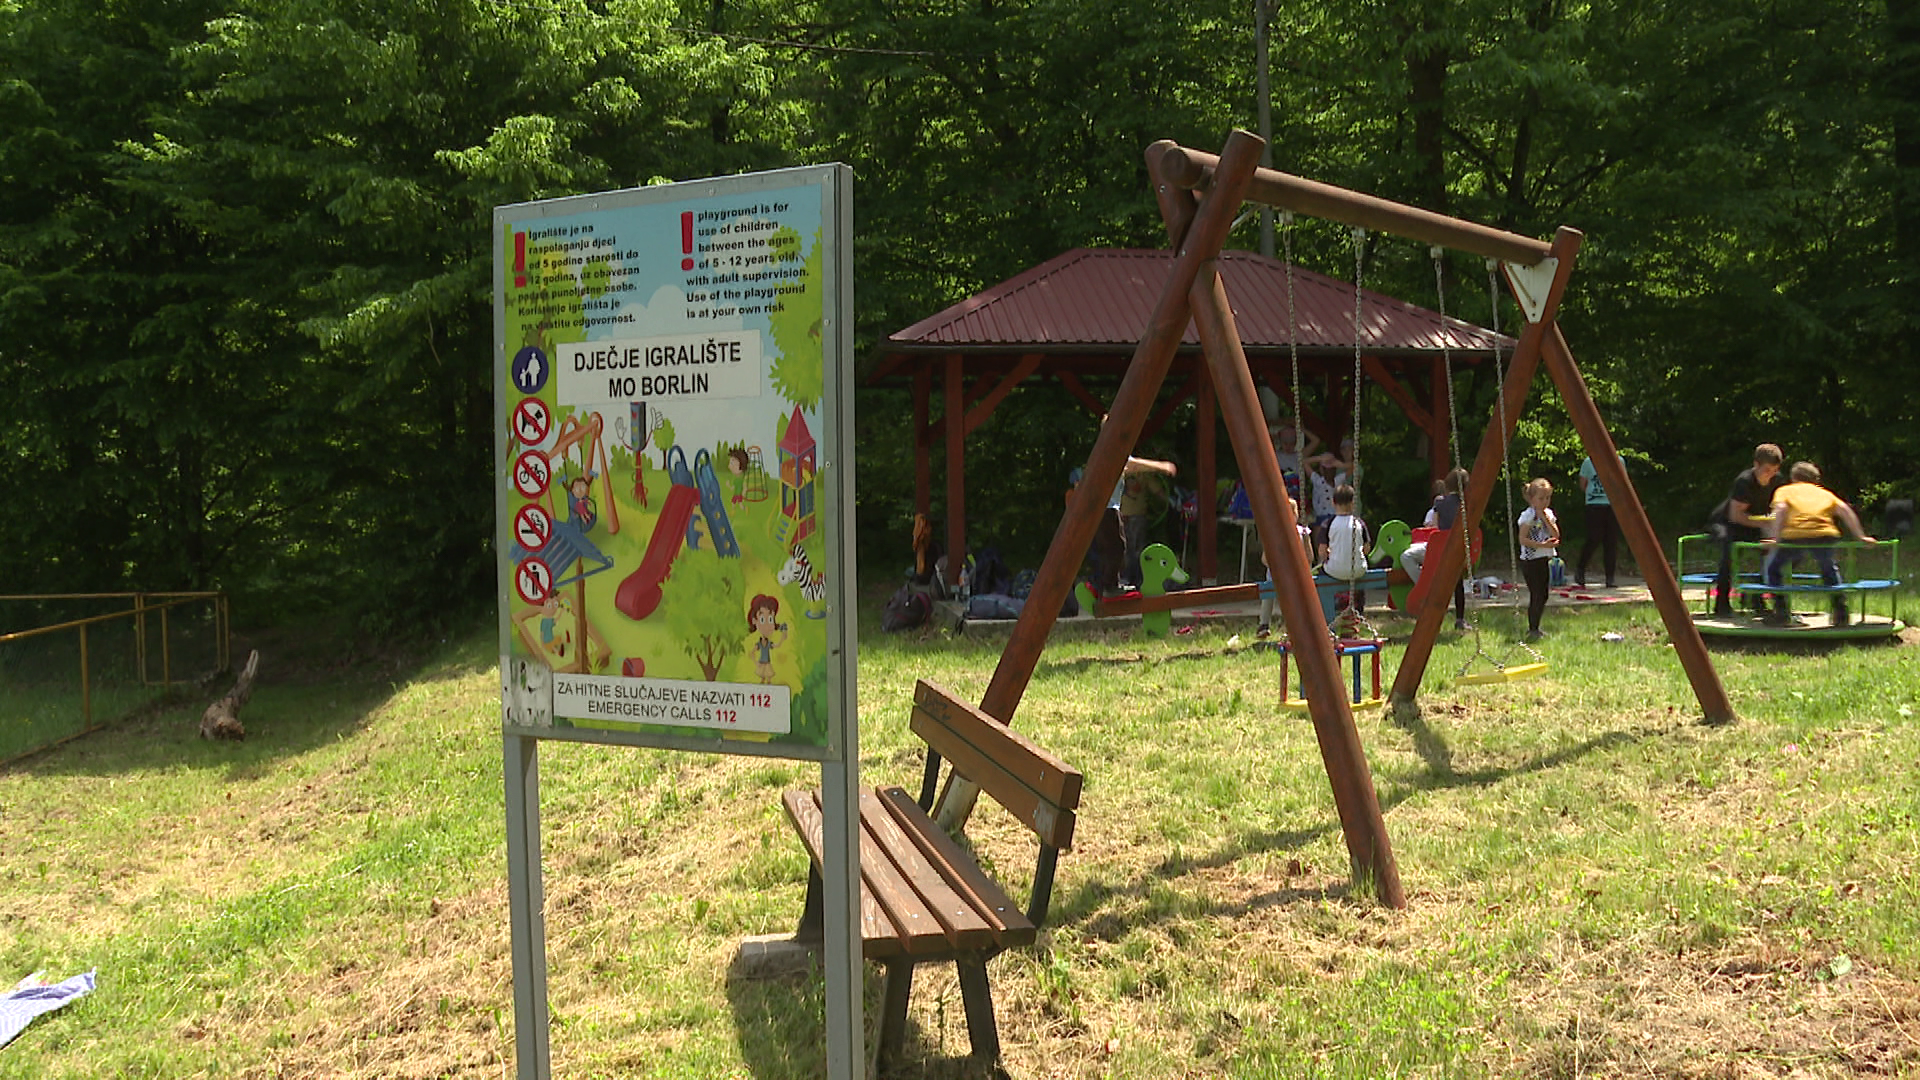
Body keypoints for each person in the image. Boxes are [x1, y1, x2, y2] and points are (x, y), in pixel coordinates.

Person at [1762, 462, 1873, 626]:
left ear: (1793, 478)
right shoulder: (1825, 493)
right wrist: (1861, 536)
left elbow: (1781, 510)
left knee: (1773, 568)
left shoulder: (1785, 491)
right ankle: (1841, 612)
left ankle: (1781, 612)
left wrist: (1774, 538)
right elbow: (1845, 510)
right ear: (1815, 480)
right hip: (1824, 533)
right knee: (1828, 568)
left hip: (1796, 533)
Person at [1708, 443, 1785, 617]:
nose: (1770, 475)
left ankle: (1756, 596)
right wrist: (1765, 523)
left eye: (1774, 470)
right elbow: (1735, 515)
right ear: (1756, 465)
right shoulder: (1744, 481)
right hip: (1726, 522)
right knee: (1729, 549)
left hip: (1755, 522)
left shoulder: (1778, 480)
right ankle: (1721, 603)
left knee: (1777, 551)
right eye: (1767, 470)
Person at [1401, 467, 1472, 630]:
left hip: (1440, 550)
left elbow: (1434, 527)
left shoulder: (1440, 503)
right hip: (1458, 551)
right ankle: (1460, 619)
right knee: (1458, 583)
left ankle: (1424, 584)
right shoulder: (1467, 505)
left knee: (1407, 556)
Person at [1256, 495, 1317, 639]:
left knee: (1293, 597)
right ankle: (1265, 624)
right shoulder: (1274, 533)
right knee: (1269, 593)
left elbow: (1309, 556)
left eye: (1292, 513)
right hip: (1280, 576)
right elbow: (1265, 559)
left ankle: (1291, 626)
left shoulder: (1301, 532)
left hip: (1294, 576)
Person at [1117, 454, 1177, 589]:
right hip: (1124, 516)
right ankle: (1126, 578)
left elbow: (1157, 491)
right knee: (1126, 548)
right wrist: (1162, 467)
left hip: (1136, 516)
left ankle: (1135, 578)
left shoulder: (1144, 475)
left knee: (1136, 549)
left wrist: (1170, 501)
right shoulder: (1123, 470)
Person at [1516, 478, 1561, 642]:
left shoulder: (1548, 514)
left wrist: (1545, 518)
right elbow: (1522, 539)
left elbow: (1556, 534)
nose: (1545, 502)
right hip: (1530, 560)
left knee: (1544, 594)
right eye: (1541, 498)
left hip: (1543, 558)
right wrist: (1541, 545)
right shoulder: (1528, 516)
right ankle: (1533, 628)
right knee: (1536, 594)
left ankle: (1536, 626)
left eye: (1548, 498)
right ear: (1532, 499)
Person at [1316, 483, 1371, 614]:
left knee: (1321, 574)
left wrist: (1329, 555)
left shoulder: (1328, 524)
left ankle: (1329, 608)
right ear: (1353, 503)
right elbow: (1366, 549)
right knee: (1358, 575)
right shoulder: (1359, 523)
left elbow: (1322, 551)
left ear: (1333, 502)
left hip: (1334, 570)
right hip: (1358, 570)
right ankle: (1358, 608)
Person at [1574, 454, 1620, 587]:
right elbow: (1583, 484)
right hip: (1594, 504)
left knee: (1611, 541)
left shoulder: (1619, 461)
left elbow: (1621, 482)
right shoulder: (1588, 462)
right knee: (1594, 537)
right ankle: (1580, 569)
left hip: (1612, 505)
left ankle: (1610, 577)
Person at [747, 593, 789, 683]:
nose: (767, 625)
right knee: (762, 677)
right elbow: (752, 653)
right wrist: (756, 663)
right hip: (762, 663)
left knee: (769, 677)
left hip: (767, 663)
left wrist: (783, 637)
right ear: (754, 620)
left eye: (770, 619)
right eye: (762, 619)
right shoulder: (759, 644)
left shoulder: (769, 643)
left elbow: (777, 645)